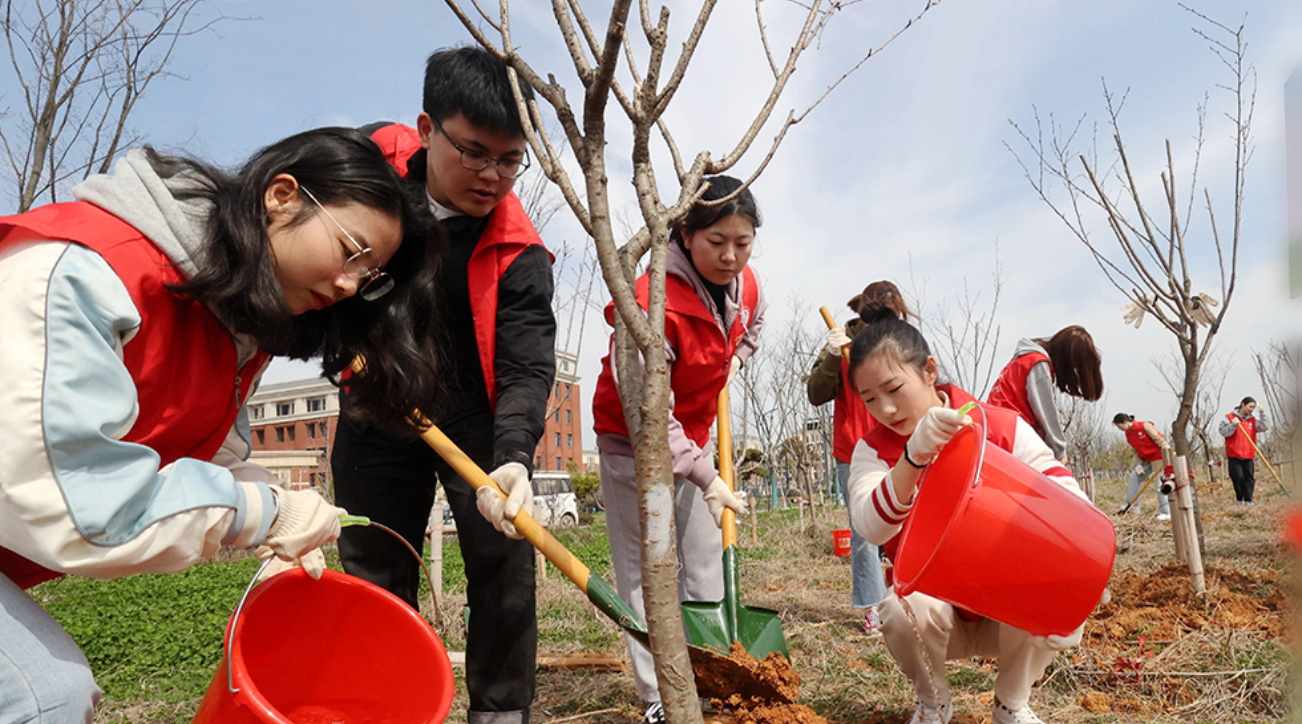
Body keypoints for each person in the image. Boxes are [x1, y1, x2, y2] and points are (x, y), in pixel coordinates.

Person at [0, 126, 445, 723]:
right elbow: (80, 506)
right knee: (42, 697)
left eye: (369, 279)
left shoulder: (232, 326)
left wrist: (278, 504)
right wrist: (260, 512)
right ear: (282, 196)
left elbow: (208, 453)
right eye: (351, 252)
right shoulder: (84, 273)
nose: (348, 286)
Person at [330, 46, 556, 724]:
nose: (493, 176)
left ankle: (499, 714)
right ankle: (383, 707)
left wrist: (514, 456)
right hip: (377, 393)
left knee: (504, 565)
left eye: (511, 159)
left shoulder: (521, 250)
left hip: (474, 413)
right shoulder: (366, 168)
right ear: (428, 130)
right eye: (475, 152)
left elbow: (526, 365)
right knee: (374, 565)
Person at [844, 308, 1094, 724]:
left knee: (1057, 595)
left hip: (1006, 610)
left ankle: (1011, 704)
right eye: (869, 399)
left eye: (893, 389)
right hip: (934, 613)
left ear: (928, 371)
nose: (885, 409)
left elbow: (1067, 498)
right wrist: (911, 459)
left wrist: (1084, 572)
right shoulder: (872, 450)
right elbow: (871, 524)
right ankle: (934, 702)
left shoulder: (998, 427)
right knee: (898, 610)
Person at [591, 175, 759, 724]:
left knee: (705, 562)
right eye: (717, 243)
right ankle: (659, 695)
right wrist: (707, 477)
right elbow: (647, 413)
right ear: (685, 234)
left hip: (696, 433)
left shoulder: (746, 287)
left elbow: (753, 325)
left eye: (744, 241)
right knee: (650, 569)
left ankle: (713, 674)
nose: (732, 256)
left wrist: (736, 357)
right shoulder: (649, 304)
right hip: (632, 444)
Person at [807, 281, 909, 636]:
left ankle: (910, 597)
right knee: (866, 530)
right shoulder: (841, 343)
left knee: (908, 524)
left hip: (899, 447)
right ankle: (872, 606)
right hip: (854, 450)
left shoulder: (897, 340)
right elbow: (815, 394)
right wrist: (834, 359)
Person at [987, 326, 1103, 460]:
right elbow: (1046, 412)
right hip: (1010, 434)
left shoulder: (1024, 358)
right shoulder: (1037, 363)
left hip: (997, 430)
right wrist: (1059, 451)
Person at [1111, 413, 1172, 520]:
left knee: (1159, 484)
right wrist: (1137, 465)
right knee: (1134, 477)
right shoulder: (1128, 434)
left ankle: (1166, 512)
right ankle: (1133, 506)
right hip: (1145, 460)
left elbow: (1160, 440)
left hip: (1159, 458)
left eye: (1119, 426)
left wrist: (1168, 455)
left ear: (1125, 422)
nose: (1119, 429)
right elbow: (1136, 451)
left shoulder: (1144, 426)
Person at [1219, 396, 1268, 505]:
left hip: (1249, 454)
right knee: (1237, 477)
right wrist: (1233, 426)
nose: (1252, 409)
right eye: (1250, 406)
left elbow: (1264, 427)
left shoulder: (1253, 420)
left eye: (1254, 407)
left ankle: (1249, 499)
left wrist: (1262, 412)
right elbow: (1223, 432)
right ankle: (1239, 499)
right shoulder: (1229, 417)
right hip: (1234, 453)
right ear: (1243, 405)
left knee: (1249, 478)